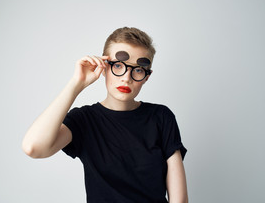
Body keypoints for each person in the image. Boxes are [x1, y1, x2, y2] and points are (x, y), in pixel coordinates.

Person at [22, 27, 188, 203]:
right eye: (118, 65)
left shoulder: (161, 117)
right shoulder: (84, 120)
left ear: (147, 76)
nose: (126, 78)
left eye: (138, 69)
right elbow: (33, 147)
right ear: (104, 67)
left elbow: (179, 200)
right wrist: (76, 84)